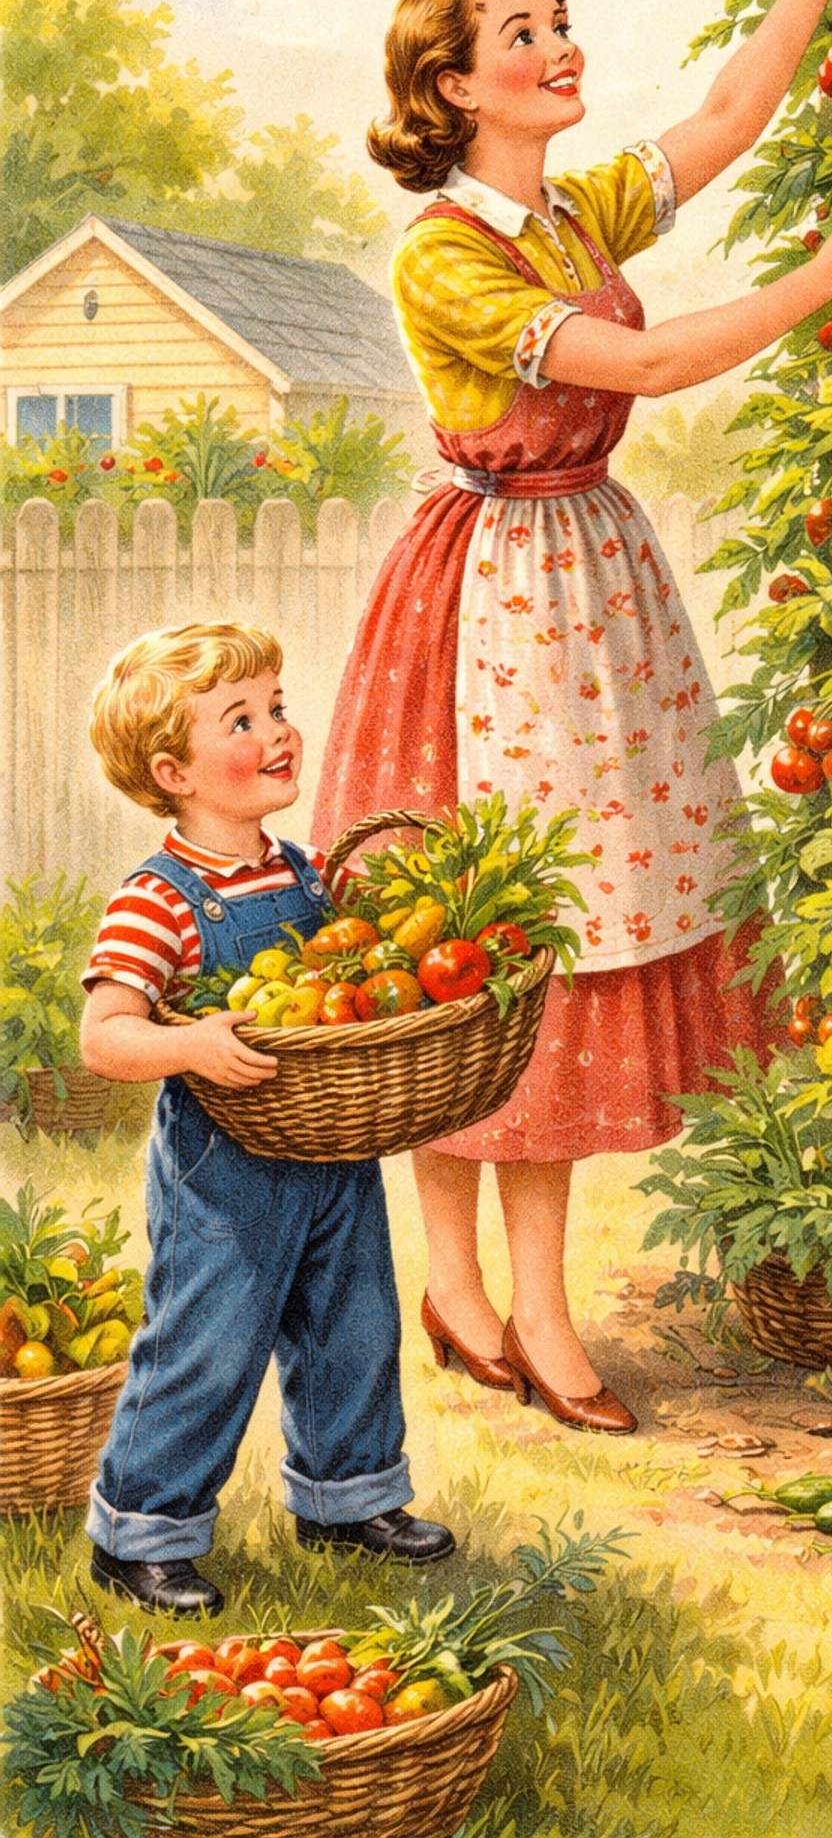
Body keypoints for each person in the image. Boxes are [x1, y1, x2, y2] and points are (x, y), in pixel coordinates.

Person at [313, 0, 832, 1433]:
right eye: (522, 34)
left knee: (578, 924)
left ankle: (511, 1300)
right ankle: (479, 1293)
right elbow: (643, 361)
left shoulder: (578, 211)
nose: (560, 48)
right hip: (497, 606)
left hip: (593, 581)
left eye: (561, 21)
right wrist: (820, 282)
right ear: (458, 89)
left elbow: (725, 119)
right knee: (498, 935)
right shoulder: (446, 256)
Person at [79, 623, 453, 1614]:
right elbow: (105, 1036)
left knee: (354, 1323)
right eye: (241, 720)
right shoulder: (157, 901)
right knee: (207, 1345)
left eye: (278, 707)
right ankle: (142, 1531)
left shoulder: (310, 871)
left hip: (331, 1147)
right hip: (225, 1168)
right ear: (174, 773)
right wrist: (191, 1047)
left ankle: (349, 1499)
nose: (280, 731)